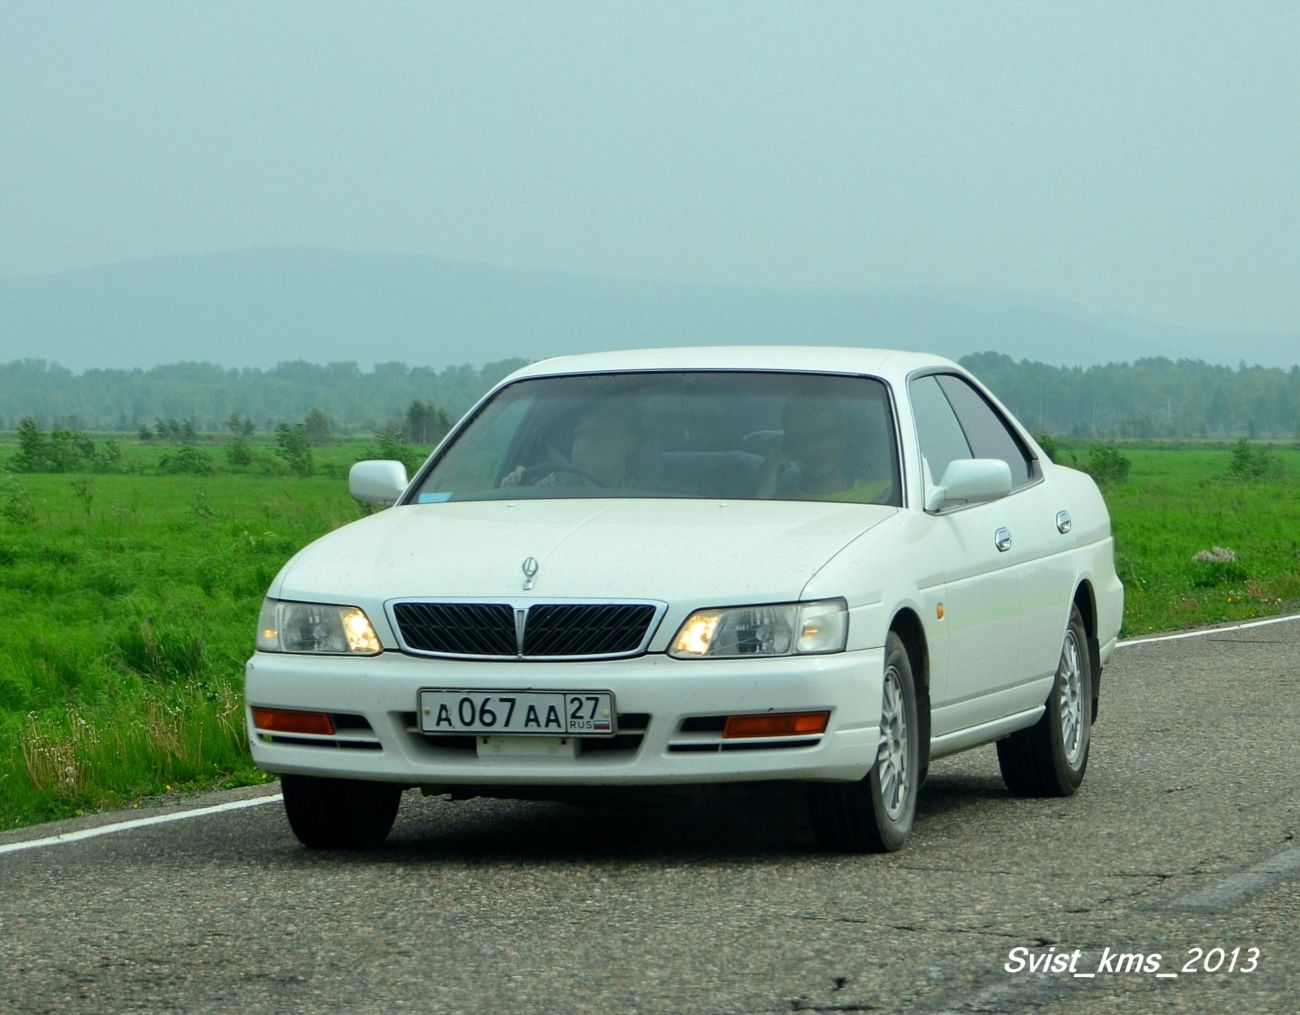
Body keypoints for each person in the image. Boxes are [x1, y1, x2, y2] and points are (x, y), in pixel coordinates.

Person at [756, 398, 891, 503]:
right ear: (788, 447)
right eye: (801, 438)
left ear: (844, 438)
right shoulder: (775, 503)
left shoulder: (887, 494)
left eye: (823, 435)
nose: (813, 447)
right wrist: (766, 490)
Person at [500, 401, 648, 489]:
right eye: (587, 432)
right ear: (575, 441)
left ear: (631, 442)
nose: (595, 439)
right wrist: (513, 485)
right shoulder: (551, 488)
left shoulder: (652, 491)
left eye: (605, 432)